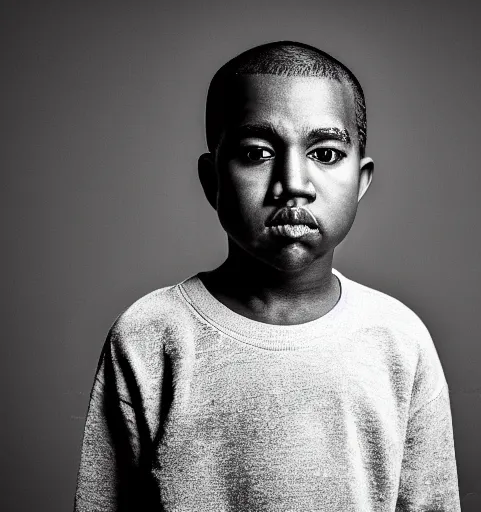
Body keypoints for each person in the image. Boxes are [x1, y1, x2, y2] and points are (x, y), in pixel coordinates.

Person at [74, 41, 460, 511]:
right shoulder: (150, 334)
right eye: (257, 152)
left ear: (361, 181)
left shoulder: (400, 339)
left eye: (326, 153)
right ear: (212, 181)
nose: (293, 182)